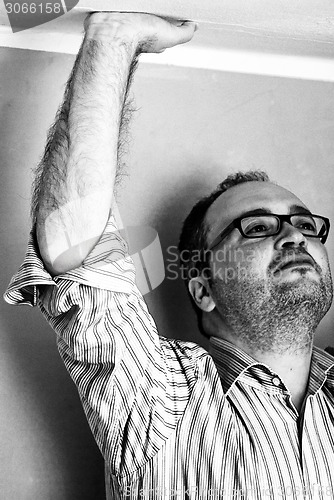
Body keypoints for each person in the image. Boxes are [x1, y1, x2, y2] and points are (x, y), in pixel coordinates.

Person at [4, 12, 334, 500]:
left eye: (305, 224)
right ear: (202, 288)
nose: (295, 238)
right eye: (257, 228)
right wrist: (114, 41)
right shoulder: (163, 400)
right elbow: (78, 247)